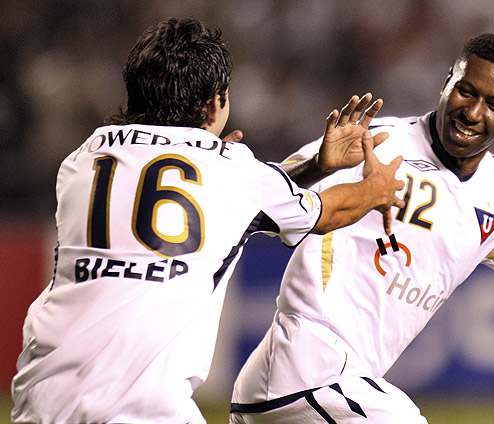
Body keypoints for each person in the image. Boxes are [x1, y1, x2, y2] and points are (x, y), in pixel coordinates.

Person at [10, 18, 406, 424]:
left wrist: (315, 165)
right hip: (142, 409)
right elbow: (327, 212)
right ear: (214, 104)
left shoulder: (83, 158)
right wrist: (378, 187)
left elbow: (208, 194)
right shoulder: (230, 168)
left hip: (41, 398)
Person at [230, 34, 494, 423]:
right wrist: (319, 166)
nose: (473, 113)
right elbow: (258, 201)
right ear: (447, 81)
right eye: (466, 92)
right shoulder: (376, 142)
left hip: (339, 380)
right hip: (303, 365)